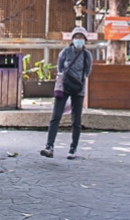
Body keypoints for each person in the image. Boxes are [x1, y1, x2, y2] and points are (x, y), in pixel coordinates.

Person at [41, 26, 93, 160]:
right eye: (76, 37)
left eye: (81, 37)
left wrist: (78, 81)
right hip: (64, 88)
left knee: (76, 120)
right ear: (72, 39)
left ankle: (73, 148)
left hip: (79, 89)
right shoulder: (65, 52)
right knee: (55, 117)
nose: (78, 40)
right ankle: (49, 146)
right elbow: (60, 67)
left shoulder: (87, 55)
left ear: (85, 40)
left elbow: (87, 71)